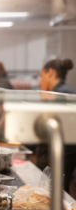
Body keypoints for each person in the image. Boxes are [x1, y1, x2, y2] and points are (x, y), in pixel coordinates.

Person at [34, 58, 76, 194]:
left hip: (63, 151)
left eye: (42, 76)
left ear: (50, 72)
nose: (40, 82)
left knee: (57, 193)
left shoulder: (60, 93)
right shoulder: (59, 92)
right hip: (61, 150)